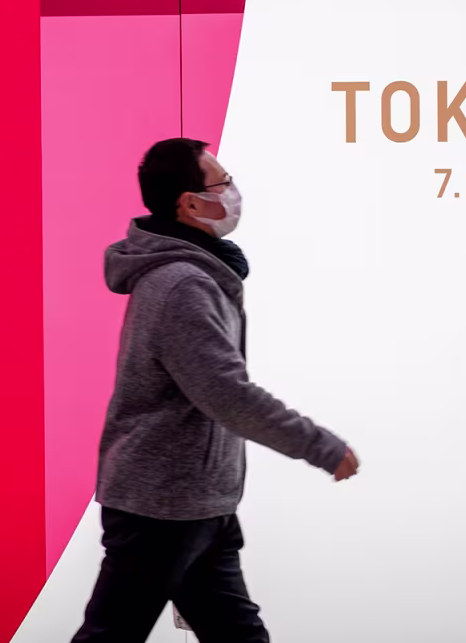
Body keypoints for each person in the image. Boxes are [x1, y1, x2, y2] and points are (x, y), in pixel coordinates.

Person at [72, 138, 359, 643]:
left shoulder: (197, 275)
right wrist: (322, 447)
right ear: (189, 202)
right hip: (160, 508)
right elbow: (228, 395)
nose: (233, 192)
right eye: (222, 183)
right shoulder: (183, 285)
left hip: (199, 505)